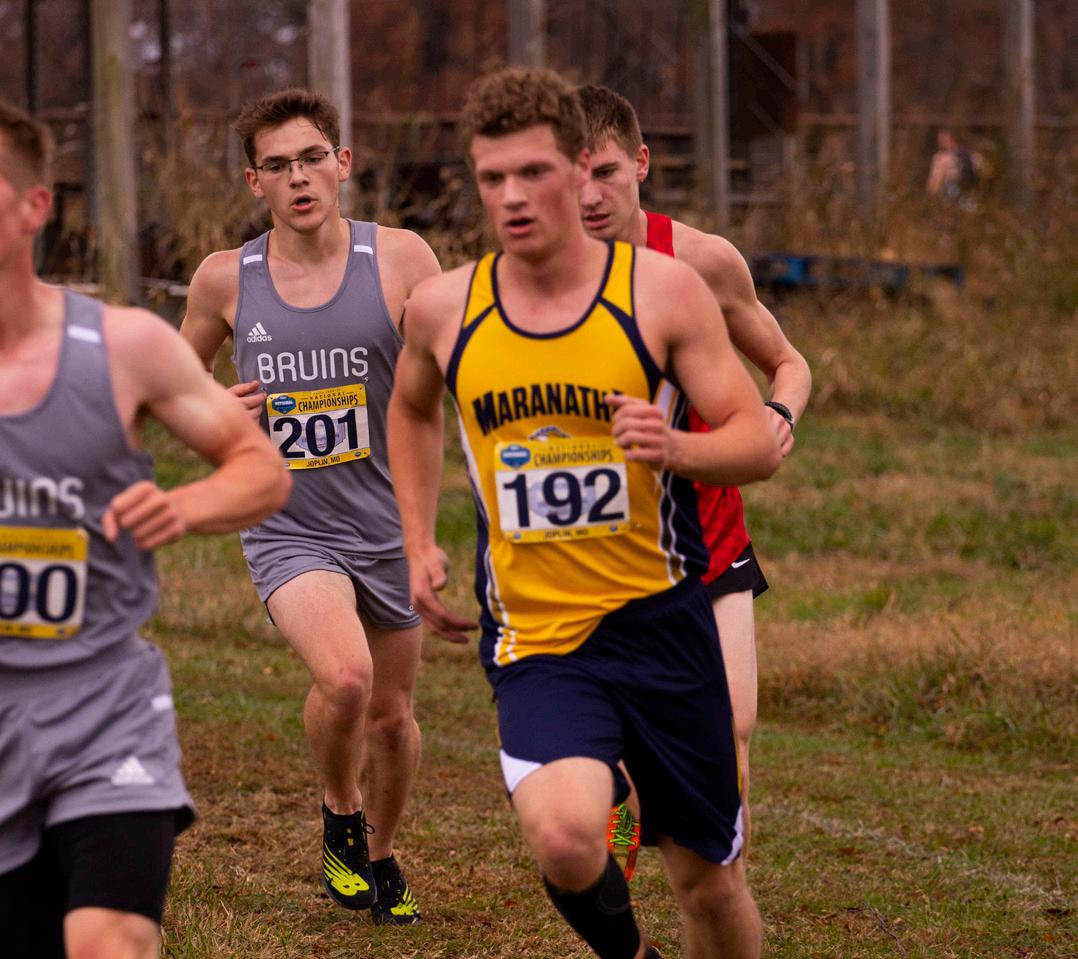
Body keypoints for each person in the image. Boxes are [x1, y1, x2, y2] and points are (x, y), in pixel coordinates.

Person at [388, 68, 781, 959]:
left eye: (532, 172)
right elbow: (410, 409)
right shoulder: (445, 308)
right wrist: (416, 539)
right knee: (567, 840)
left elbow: (756, 439)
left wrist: (677, 448)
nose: (512, 196)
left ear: (578, 170)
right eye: (492, 178)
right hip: (538, 641)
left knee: (709, 883)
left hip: (665, 626)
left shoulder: (663, 293)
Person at [0, 100, 289, 959]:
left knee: (110, 940)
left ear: (34, 206)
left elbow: (260, 467)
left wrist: (184, 506)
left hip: (103, 707)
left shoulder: (123, 346)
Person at [180, 88, 439, 924]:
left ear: (342, 163)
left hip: (388, 523)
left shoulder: (401, 259)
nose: (298, 177)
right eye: (278, 164)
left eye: (312, 158)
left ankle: (383, 850)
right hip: (289, 525)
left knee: (393, 719)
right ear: (254, 181)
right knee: (348, 677)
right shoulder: (225, 278)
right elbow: (175, 387)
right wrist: (217, 411)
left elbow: (456, 368)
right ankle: (340, 807)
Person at [576, 84, 812, 873]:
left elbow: (788, 361)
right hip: (603, 548)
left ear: (642, 163)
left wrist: (777, 413)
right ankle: (619, 814)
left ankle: (724, 889)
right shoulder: (543, 278)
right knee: (624, 750)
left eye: (606, 172)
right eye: (572, 177)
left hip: (709, 535)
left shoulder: (703, 260)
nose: (589, 195)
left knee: (733, 727)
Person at [926, 128, 983, 209]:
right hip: (969, 197)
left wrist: (930, 198)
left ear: (951, 139)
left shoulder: (942, 158)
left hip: (951, 197)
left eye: (942, 140)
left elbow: (936, 179)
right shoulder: (972, 155)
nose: (940, 143)